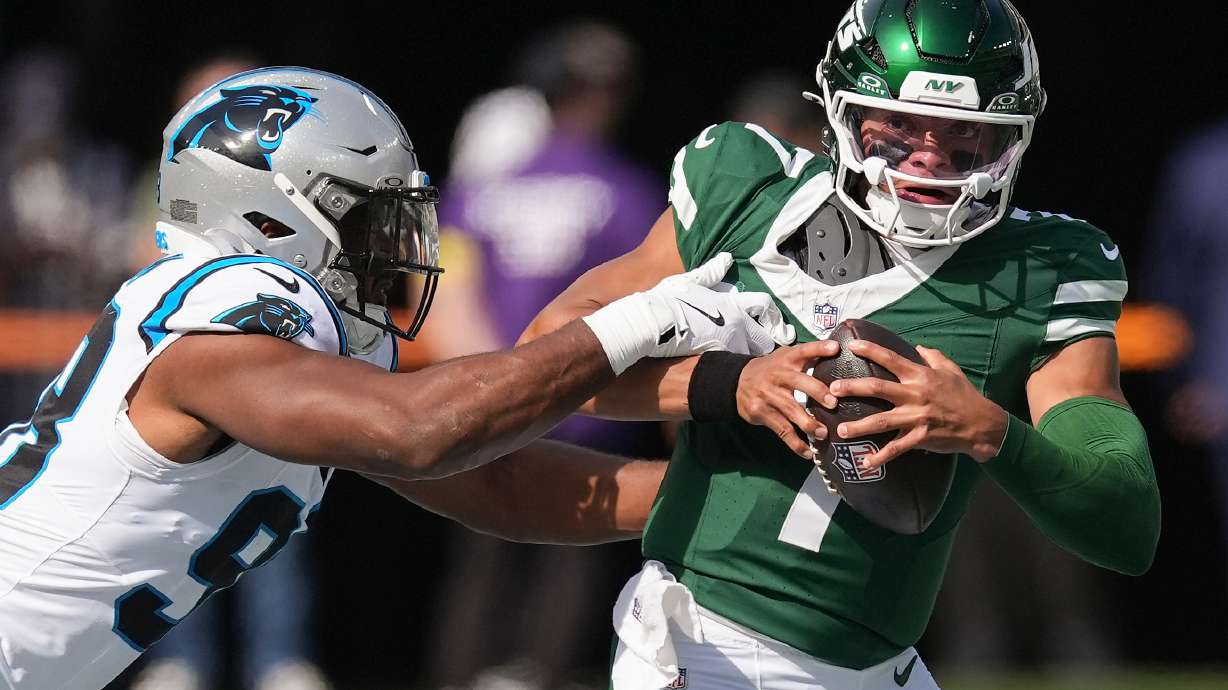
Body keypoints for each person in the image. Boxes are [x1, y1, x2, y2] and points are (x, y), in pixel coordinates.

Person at [0, 66, 802, 690]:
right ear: (271, 214)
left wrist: (733, 505)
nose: (389, 242)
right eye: (364, 214)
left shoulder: (290, 345)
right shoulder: (229, 307)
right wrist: (644, 319)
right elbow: (418, 432)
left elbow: (500, 482)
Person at [521, 1, 1161, 688]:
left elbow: (1127, 526)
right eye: (900, 128)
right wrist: (727, 383)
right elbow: (549, 356)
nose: (928, 157)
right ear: (839, 109)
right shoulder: (750, 189)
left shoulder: (1043, 269)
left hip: (887, 668)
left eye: (963, 135)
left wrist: (987, 430)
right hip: (709, 644)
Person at [421, 23, 666, 688]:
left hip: (488, 394)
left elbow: (436, 288)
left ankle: (461, 674)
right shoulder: (625, 189)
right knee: (571, 550)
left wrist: (474, 378)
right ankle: (535, 673)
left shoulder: (476, 191)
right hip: (582, 399)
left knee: (480, 551)